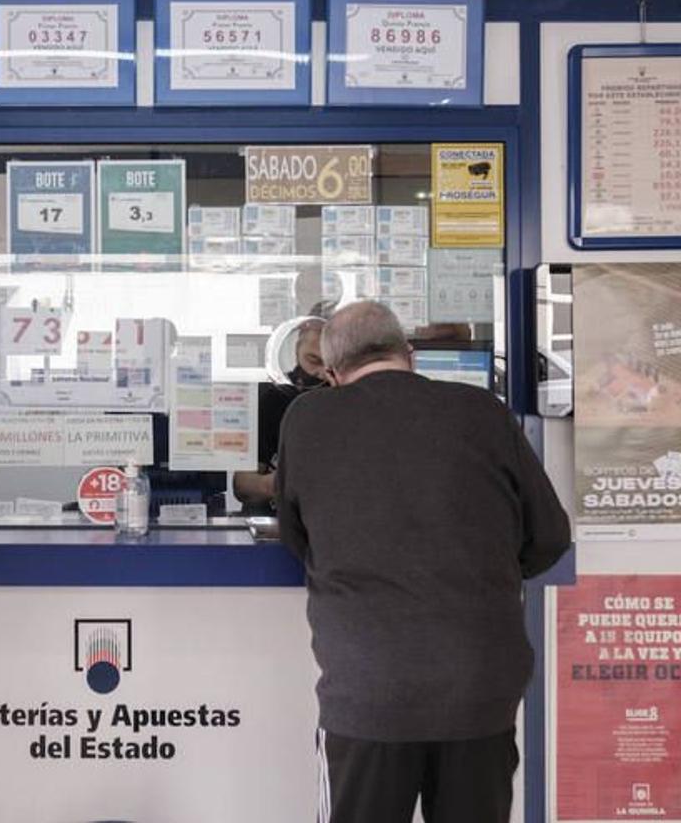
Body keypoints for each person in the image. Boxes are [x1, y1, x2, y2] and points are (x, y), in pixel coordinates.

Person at [274, 301, 570, 823]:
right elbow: (548, 537)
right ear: (409, 356)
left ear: (333, 372)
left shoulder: (308, 417)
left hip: (368, 690)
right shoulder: (483, 411)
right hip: (478, 688)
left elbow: (298, 540)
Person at [233, 317, 327, 514]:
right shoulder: (275, 398)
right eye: (313, 360)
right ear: (296, 348)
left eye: (330, 365)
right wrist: (278, 484)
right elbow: (243, 485)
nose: (321, 374)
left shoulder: (348, 401)